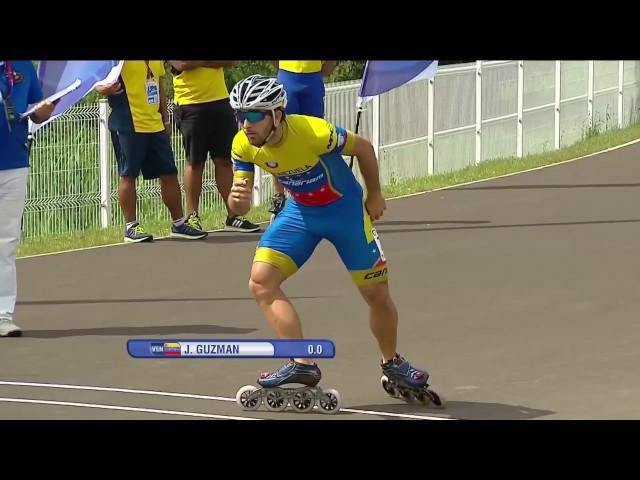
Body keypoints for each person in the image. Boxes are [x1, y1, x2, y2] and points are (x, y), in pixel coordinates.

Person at [228, 75, 442, 406]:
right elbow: (238, 206)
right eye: (239, 115)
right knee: (261, 282)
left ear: (278, 114)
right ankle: (302, 363)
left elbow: (364, 148)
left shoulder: (313, 132)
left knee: (377, 295)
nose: (245, 124)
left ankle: (392, 363)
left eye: (254, 115)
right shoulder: (243, 144)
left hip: (345, 214)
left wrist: (375, 194)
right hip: (301, 214)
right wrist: (237, 200)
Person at [95, 60, 207, 243]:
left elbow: (159, 86)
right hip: (128, 122)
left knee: (169, 172)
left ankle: (178, 223)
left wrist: (165, 120)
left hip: (154, 124)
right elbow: (96, 79)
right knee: (128, 174)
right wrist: (102, 89)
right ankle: (131, 226)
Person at [169, 60, 259, 233]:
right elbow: (182, 64)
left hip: (220, 101)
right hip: (190, 103)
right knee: (195, 162)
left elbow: (229, 62)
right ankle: (193, 215)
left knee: (224, 160)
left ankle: (233, 215)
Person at [1, 60, 54, 337]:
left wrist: (43, 110)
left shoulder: (22, 66)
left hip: (14, 162)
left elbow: (37, 109)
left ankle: (3, 315)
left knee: (6, 242)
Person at [268, 61, 337, 221]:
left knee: (315, 139)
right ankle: (279, 196)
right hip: (288, 78)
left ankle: (314, 194)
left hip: (313, 80)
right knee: (280, 138)